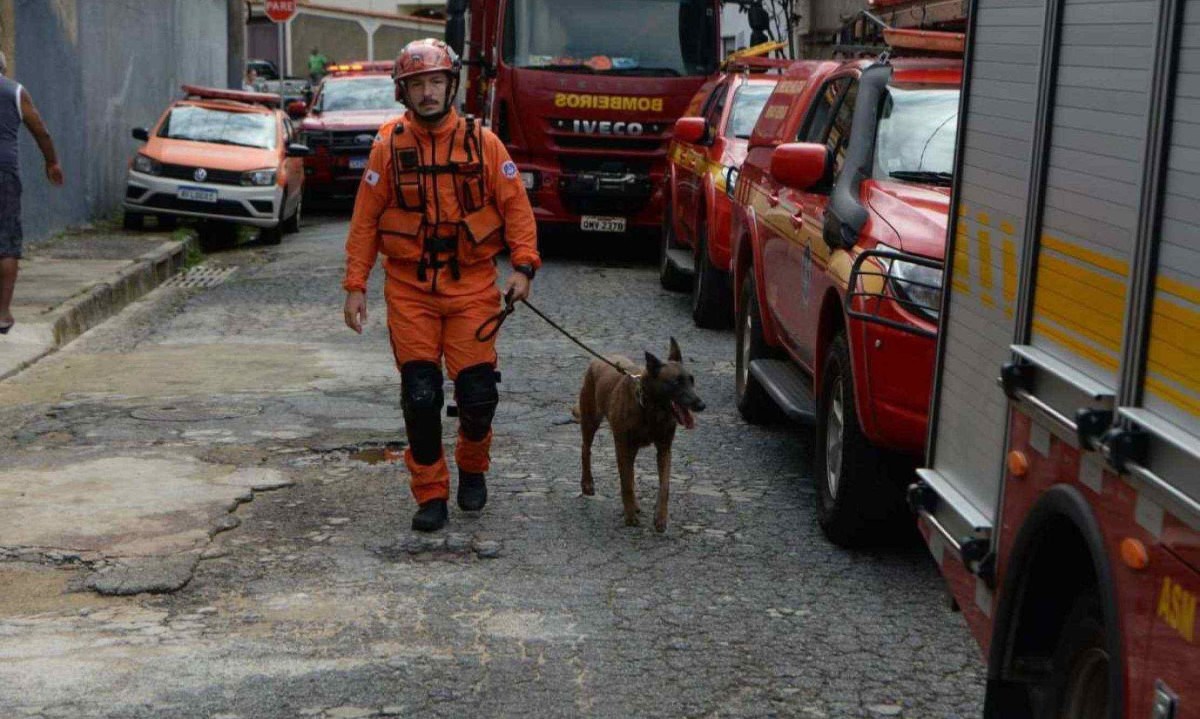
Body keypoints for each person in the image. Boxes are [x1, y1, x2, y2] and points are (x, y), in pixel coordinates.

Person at [342, 39, 540, 532]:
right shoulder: (387, 148)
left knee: (478, 396)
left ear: (452, 85)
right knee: (421, 395)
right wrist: (355, 285)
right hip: (410, 291)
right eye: (416, 86)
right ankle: (430, 493)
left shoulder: (484, 144)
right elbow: (365, 223)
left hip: (472, 288)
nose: (427, 93)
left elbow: (516, 208)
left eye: (434, 82)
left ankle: (473, 466)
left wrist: (523, 268)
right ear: (402, 94)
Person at [0, 51, 64, 336]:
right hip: (4, 175)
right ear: (3, 67)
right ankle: (2, 314)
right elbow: (41, 131)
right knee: (7, 243)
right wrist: (51, 162)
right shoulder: (15, 92)